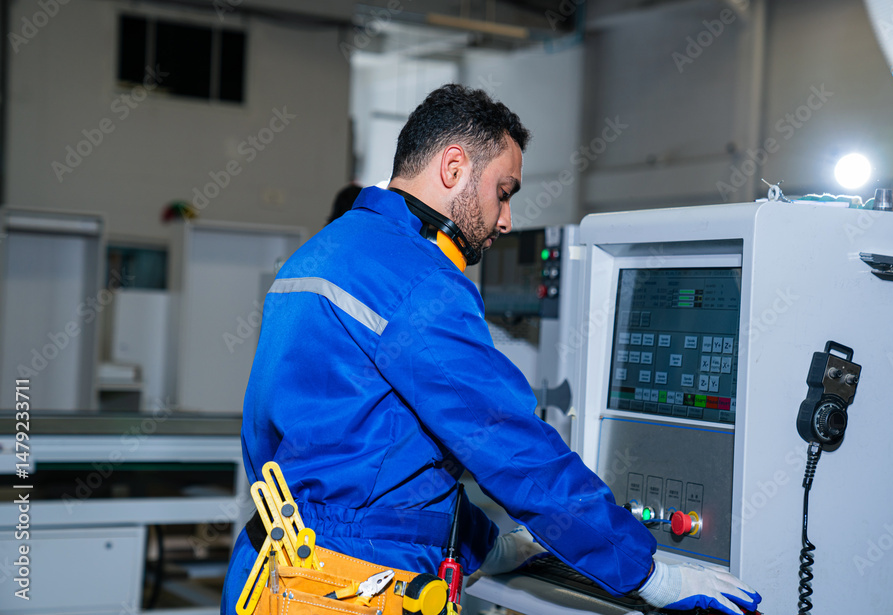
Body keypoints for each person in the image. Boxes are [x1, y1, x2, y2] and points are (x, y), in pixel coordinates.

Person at [220, 84, 761, 615]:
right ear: (454, 168)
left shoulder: (314, 258)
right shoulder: (419, 281)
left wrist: (489, 545)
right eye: (504, 192)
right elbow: (510, 444)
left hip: (273, 571)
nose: (505, 220)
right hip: (355, 584)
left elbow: (359, 460)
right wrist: (646, 571)